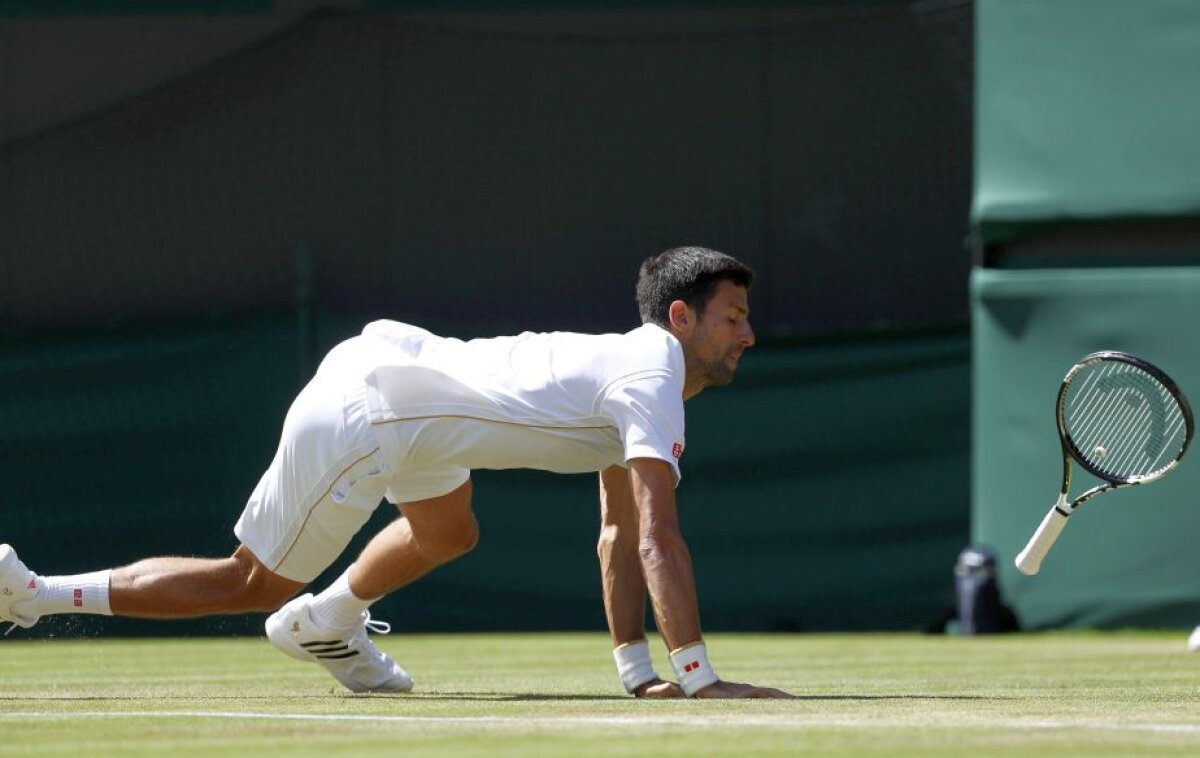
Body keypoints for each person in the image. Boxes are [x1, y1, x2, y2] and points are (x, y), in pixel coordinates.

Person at [0, 246, 791, 699]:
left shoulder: (636, 371)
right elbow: (656, 538)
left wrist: (638, 673)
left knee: (449, 531)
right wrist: (699, 677)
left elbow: (618, 531)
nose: (748, 335)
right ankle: (35, 594)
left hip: (412, 392)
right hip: (375, 409)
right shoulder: (652, 376)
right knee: (250, 582)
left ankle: (326, 621)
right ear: (680, 317)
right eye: (733, 318)